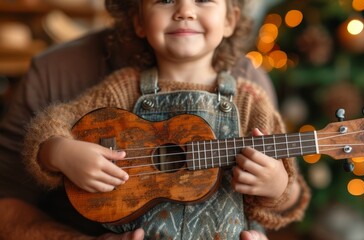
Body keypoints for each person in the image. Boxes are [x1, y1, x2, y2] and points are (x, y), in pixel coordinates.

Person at [1, 0, 310, 239]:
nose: (184, 11)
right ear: (138, 21)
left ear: (230, 20)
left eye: (203, 0)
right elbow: (53, 122)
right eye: (164, 0)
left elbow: (287, 191)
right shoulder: (124, 86)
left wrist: (276, 186)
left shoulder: (250, 99)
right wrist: (58, 151)